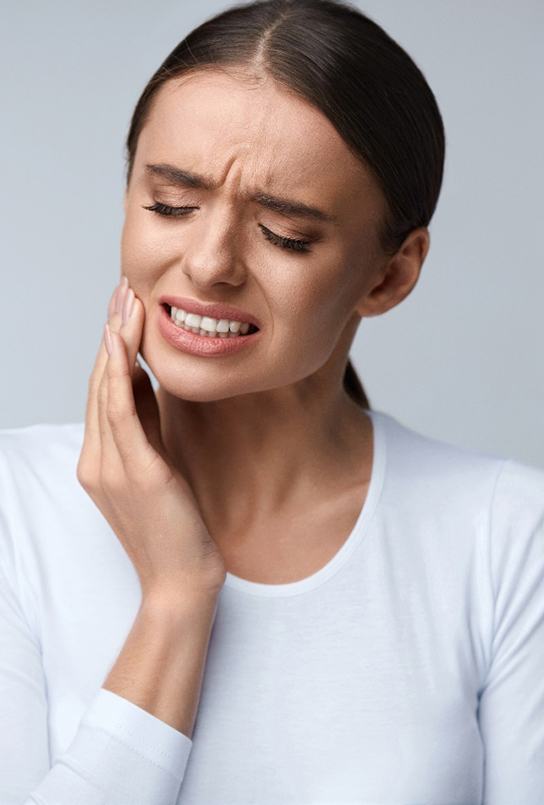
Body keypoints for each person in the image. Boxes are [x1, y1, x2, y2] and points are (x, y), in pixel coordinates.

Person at [1, 0, 543, 803]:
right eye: (171, 205)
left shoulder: (506, 537)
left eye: (285, 234)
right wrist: (177, 598)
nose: (210, 262)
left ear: (390, 273)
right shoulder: (13, 507)